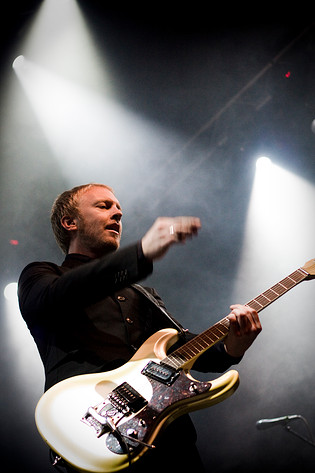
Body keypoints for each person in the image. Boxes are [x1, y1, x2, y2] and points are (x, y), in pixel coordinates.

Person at [18, 183, 262, 473]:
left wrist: (233, 345)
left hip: (167, 437)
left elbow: (183, 348)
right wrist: (141, 254)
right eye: (104, 206)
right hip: (95, 427)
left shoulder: (142, 294)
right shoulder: (42, 276)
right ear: (70, 222)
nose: (117, 214)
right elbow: (59, 296)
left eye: (119, 209)